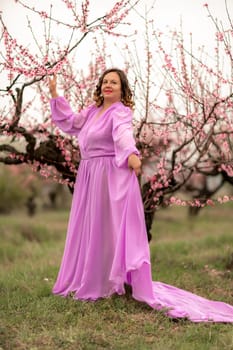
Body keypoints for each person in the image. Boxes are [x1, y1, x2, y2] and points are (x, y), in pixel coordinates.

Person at [49, 68, 233, 323]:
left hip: (109, 175)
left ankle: (108, 282)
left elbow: (122, 134)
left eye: (113, 82)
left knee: (108, 227)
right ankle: (91, 278)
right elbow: (71, 123)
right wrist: (56, 95)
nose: (107, 85)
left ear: (122, 88)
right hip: (89, 175)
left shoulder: (120, 112)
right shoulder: (92, 111)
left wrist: (132, 155)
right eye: (104, 81)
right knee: (91, 227)